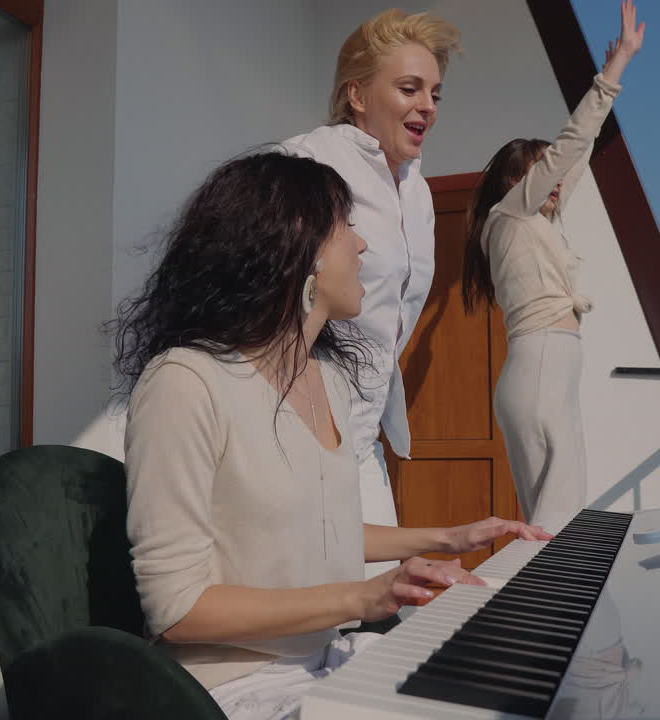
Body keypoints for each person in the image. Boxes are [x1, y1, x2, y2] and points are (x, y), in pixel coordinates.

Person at [115, 152, 551, 720]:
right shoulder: (184, 383)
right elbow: (177, 609)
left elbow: (323, 527)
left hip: (329, 659)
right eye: (347, 225)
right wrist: (363, 597)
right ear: (303, 246)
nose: (363, 245)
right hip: (230, 688)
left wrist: (448, 537)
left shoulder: (328, 382)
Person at [281, 9, 461, 577]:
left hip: (363, 435)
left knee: (385, 601)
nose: (427, 105)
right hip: (298, 430)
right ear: (357, 94)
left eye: (435, 92)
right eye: (409, 88)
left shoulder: (418, 193)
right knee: (319, 613)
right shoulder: (307, 162)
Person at [460, 0, 645, 531]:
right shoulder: (510, 214)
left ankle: (524, 608)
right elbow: (572, 143)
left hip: (543, 372)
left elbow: (576, 155)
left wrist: (616, 68)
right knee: (554, 529)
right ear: (515, 180)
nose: (555, 180)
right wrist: (617, 67)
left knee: (546, 526)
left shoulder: (528, 221)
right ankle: (526, 610)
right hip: (542, 368)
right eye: (542, 170)